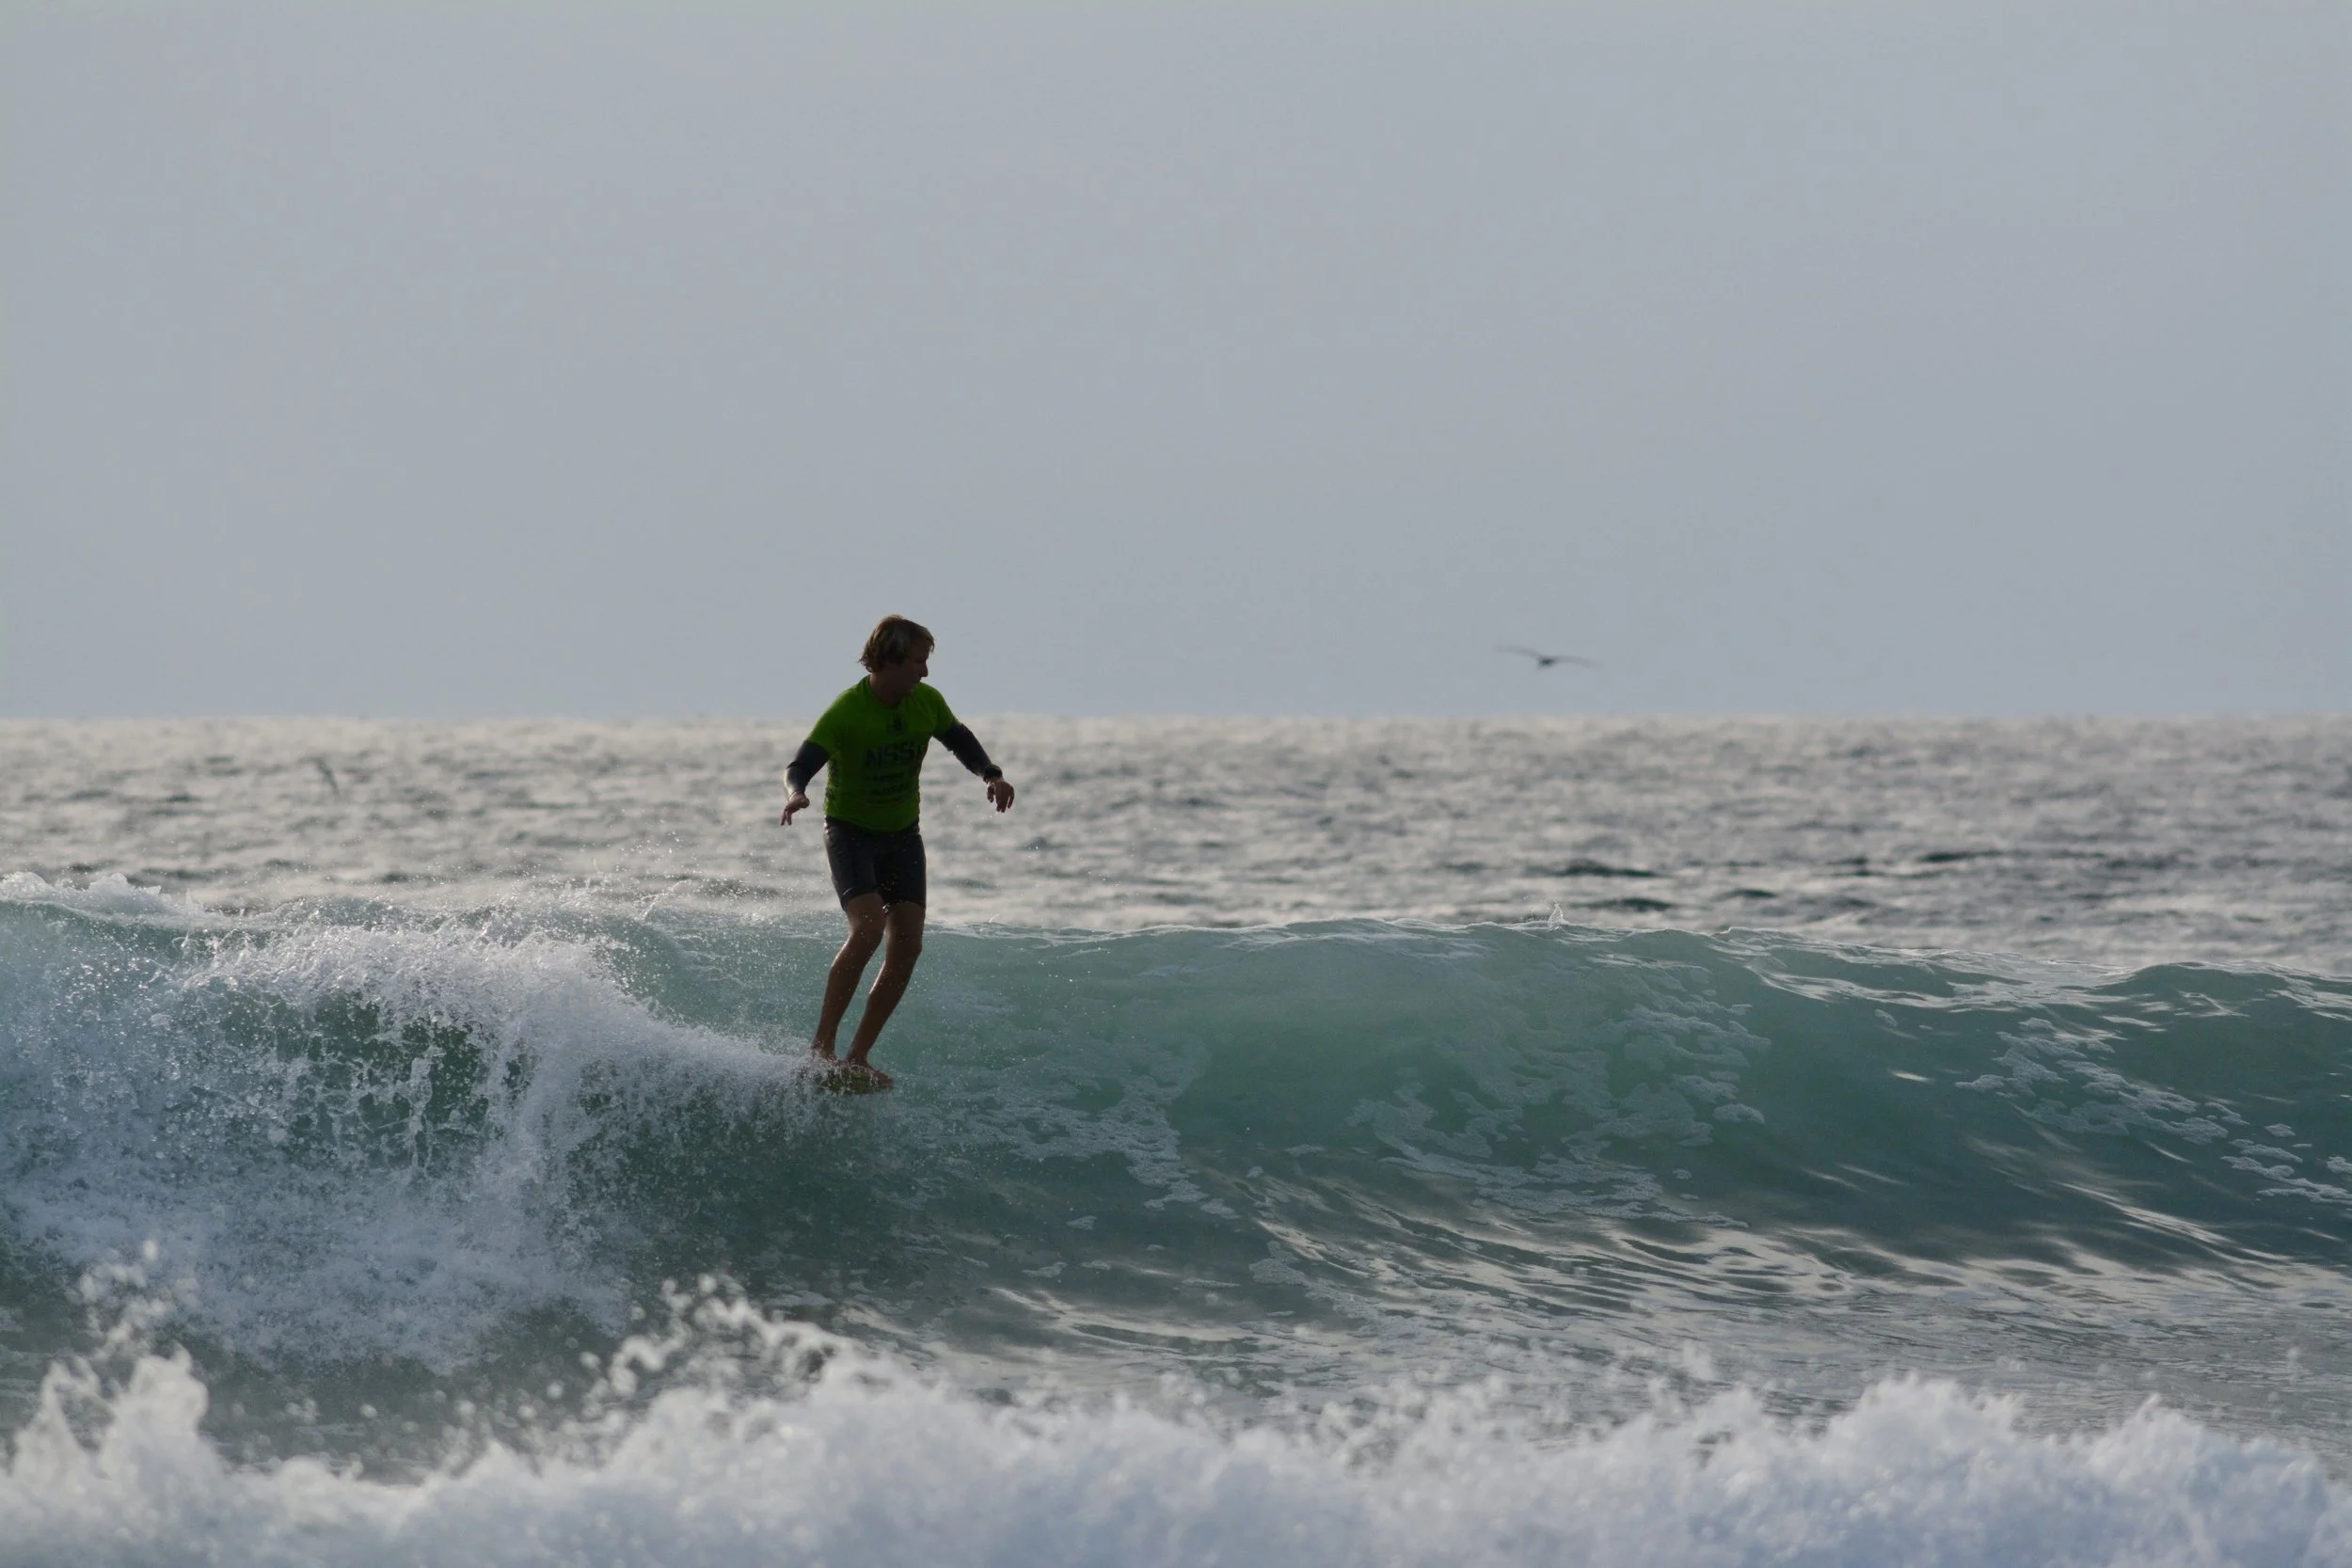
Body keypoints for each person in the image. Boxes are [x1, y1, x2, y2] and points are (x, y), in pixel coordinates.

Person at [780, 615, 1014, 1086]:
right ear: (888, 661)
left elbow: (960, 740)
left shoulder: (926, 703)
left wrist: (991, 774)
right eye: (918, 662)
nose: (925, 673)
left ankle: (858, 1056)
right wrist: (796, 793)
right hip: (850, 833)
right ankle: (821, 1049)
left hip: (903, 835)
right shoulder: (847, 711)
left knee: (908, 943)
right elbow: (800, 763)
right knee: (867, 929)